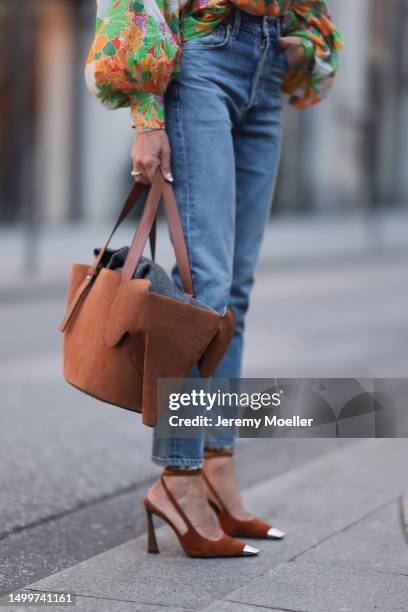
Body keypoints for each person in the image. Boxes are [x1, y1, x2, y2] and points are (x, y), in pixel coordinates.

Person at [86, 0, 343, 558]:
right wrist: (148, 116)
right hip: (203, 53)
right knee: (206, 289)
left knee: (236, 293)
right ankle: (179, 476)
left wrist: (303, 35)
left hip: (269, 56)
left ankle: (217, 465)